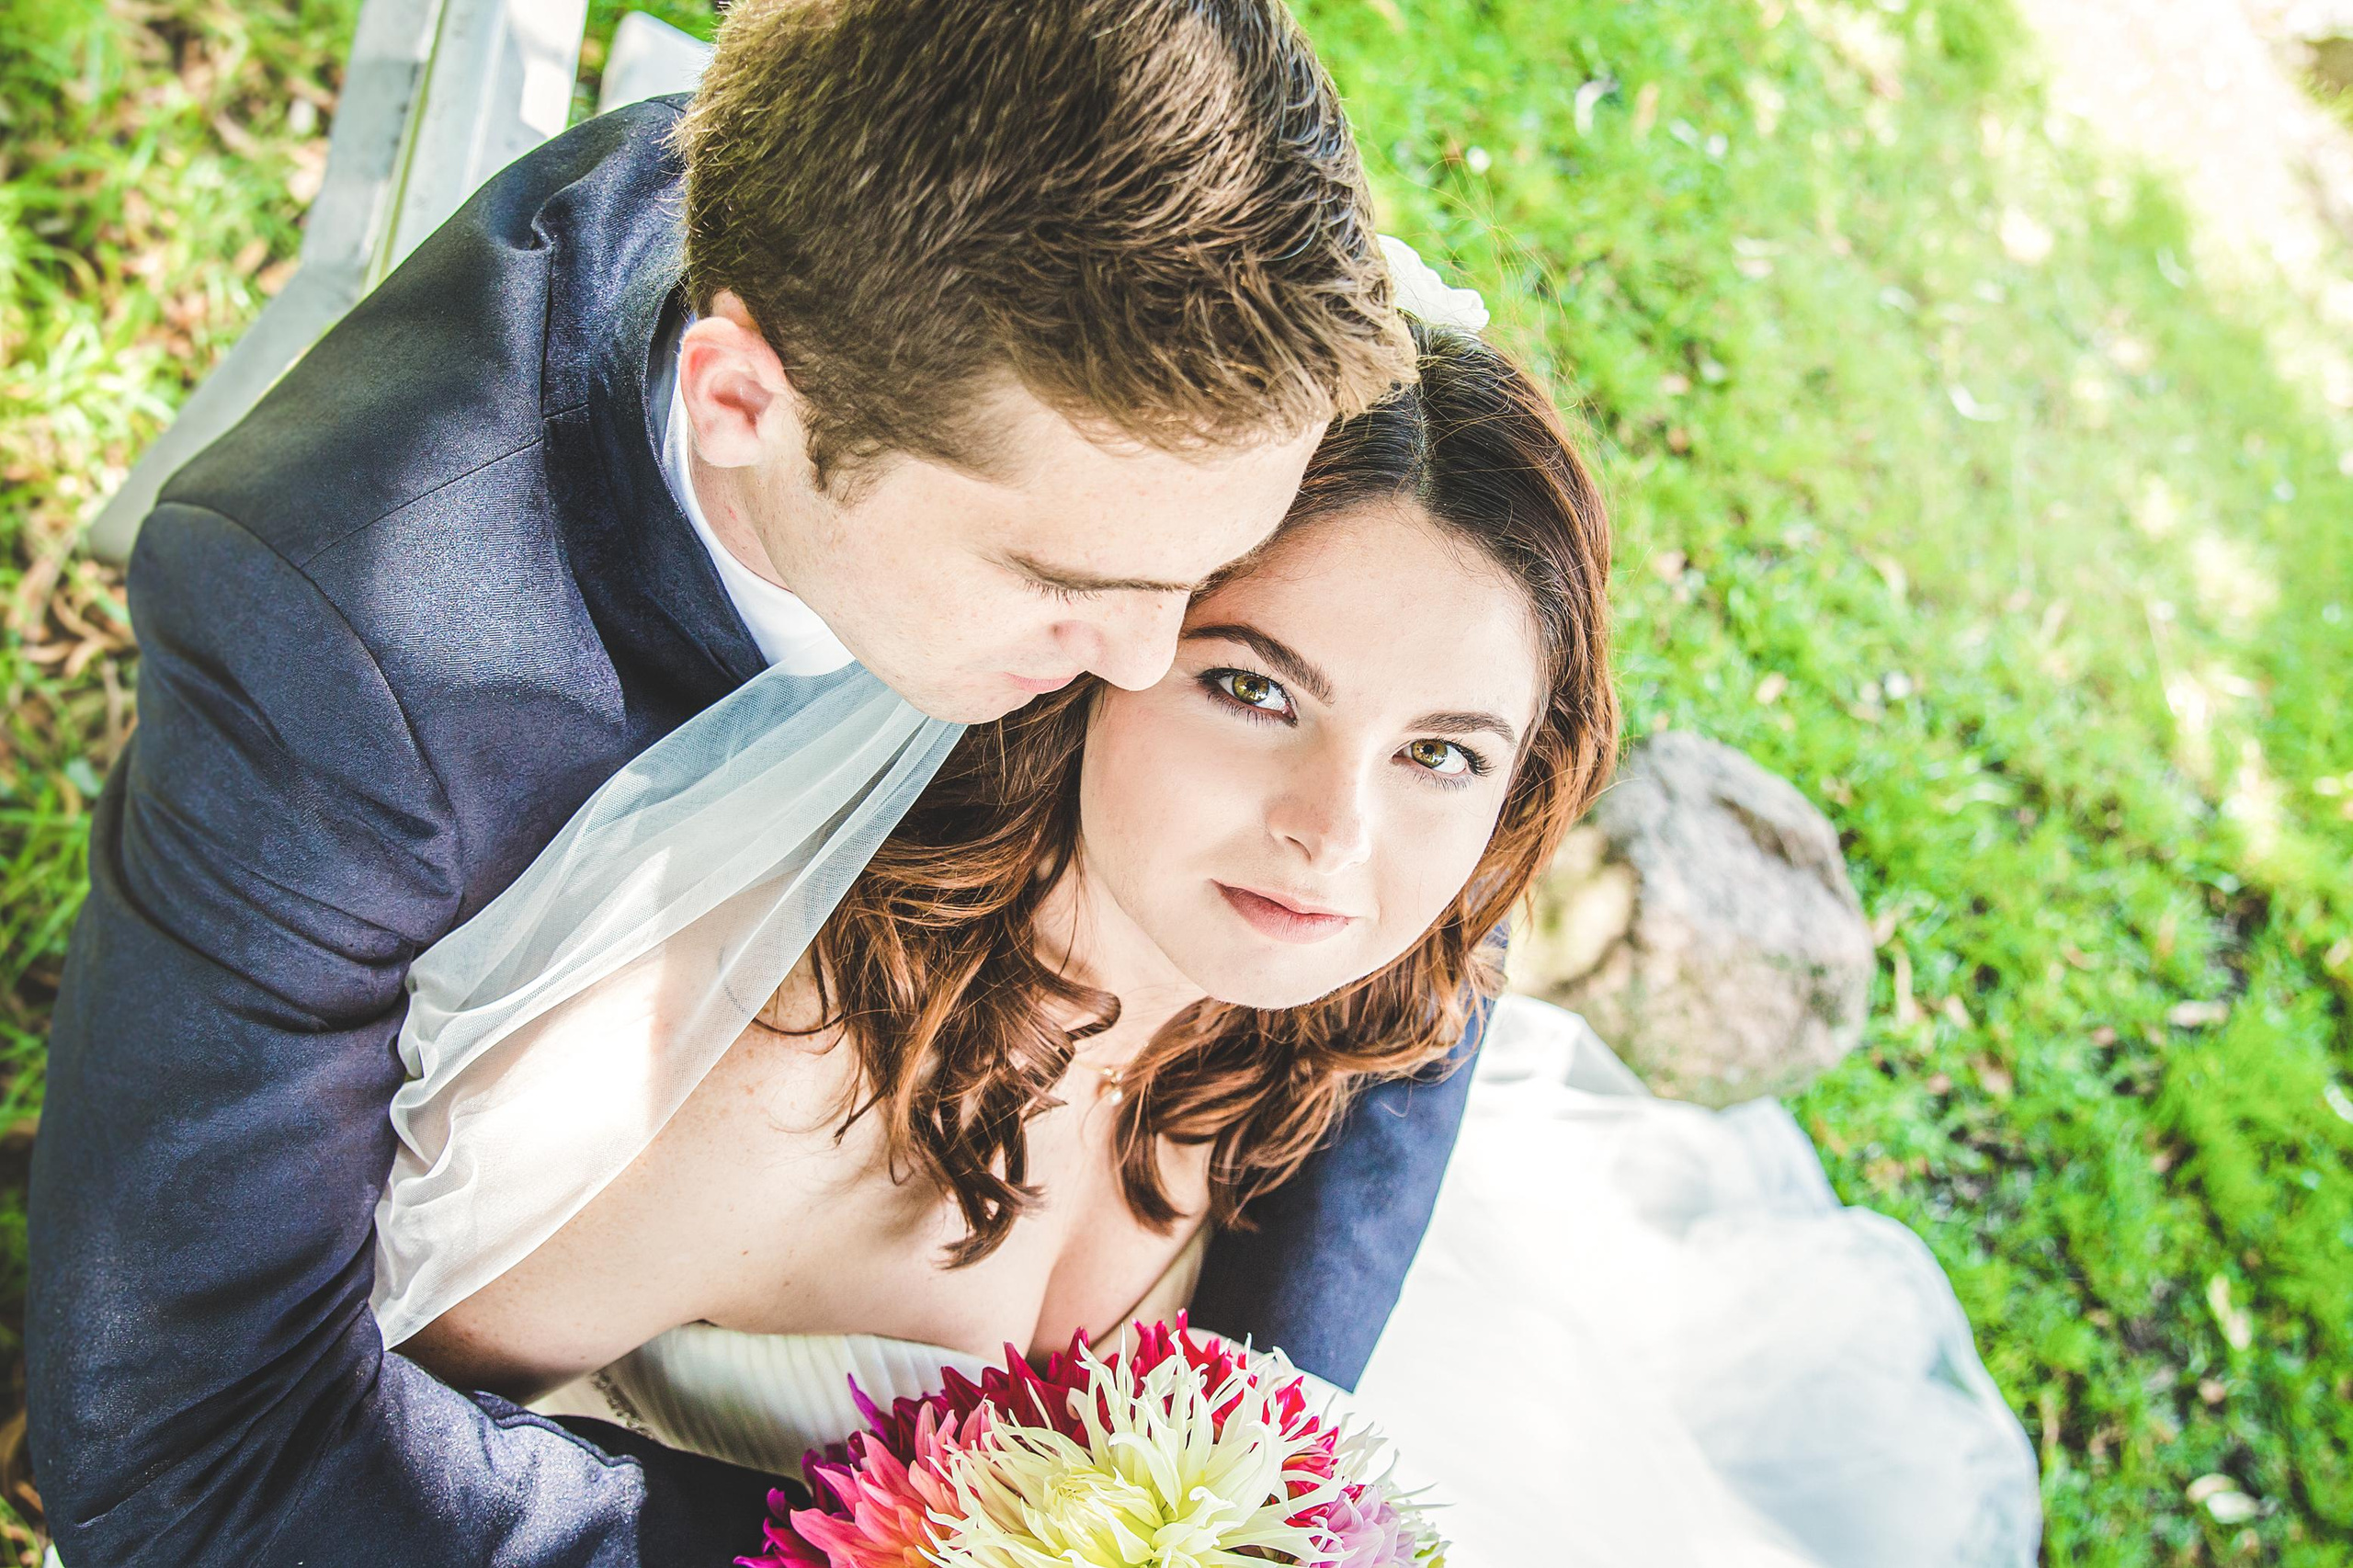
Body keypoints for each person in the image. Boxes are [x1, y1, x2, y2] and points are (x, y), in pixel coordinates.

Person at [25, 3, 1446, 1563]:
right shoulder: (343, 661)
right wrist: (921, 1538)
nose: (1149, 660)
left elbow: (1437, 800)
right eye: (1066, 580)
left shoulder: (1181, 368)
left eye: (1210, 579)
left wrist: (1254, 1459)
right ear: (739, 406)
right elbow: (188, 1451)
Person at [369, 324, 2041, 1565]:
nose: (1340, 833)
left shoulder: (1315, 1014)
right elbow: (366, 1447)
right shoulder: (773, 1084)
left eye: (1441, 751)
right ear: (1105, 637)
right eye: (1254, 689)